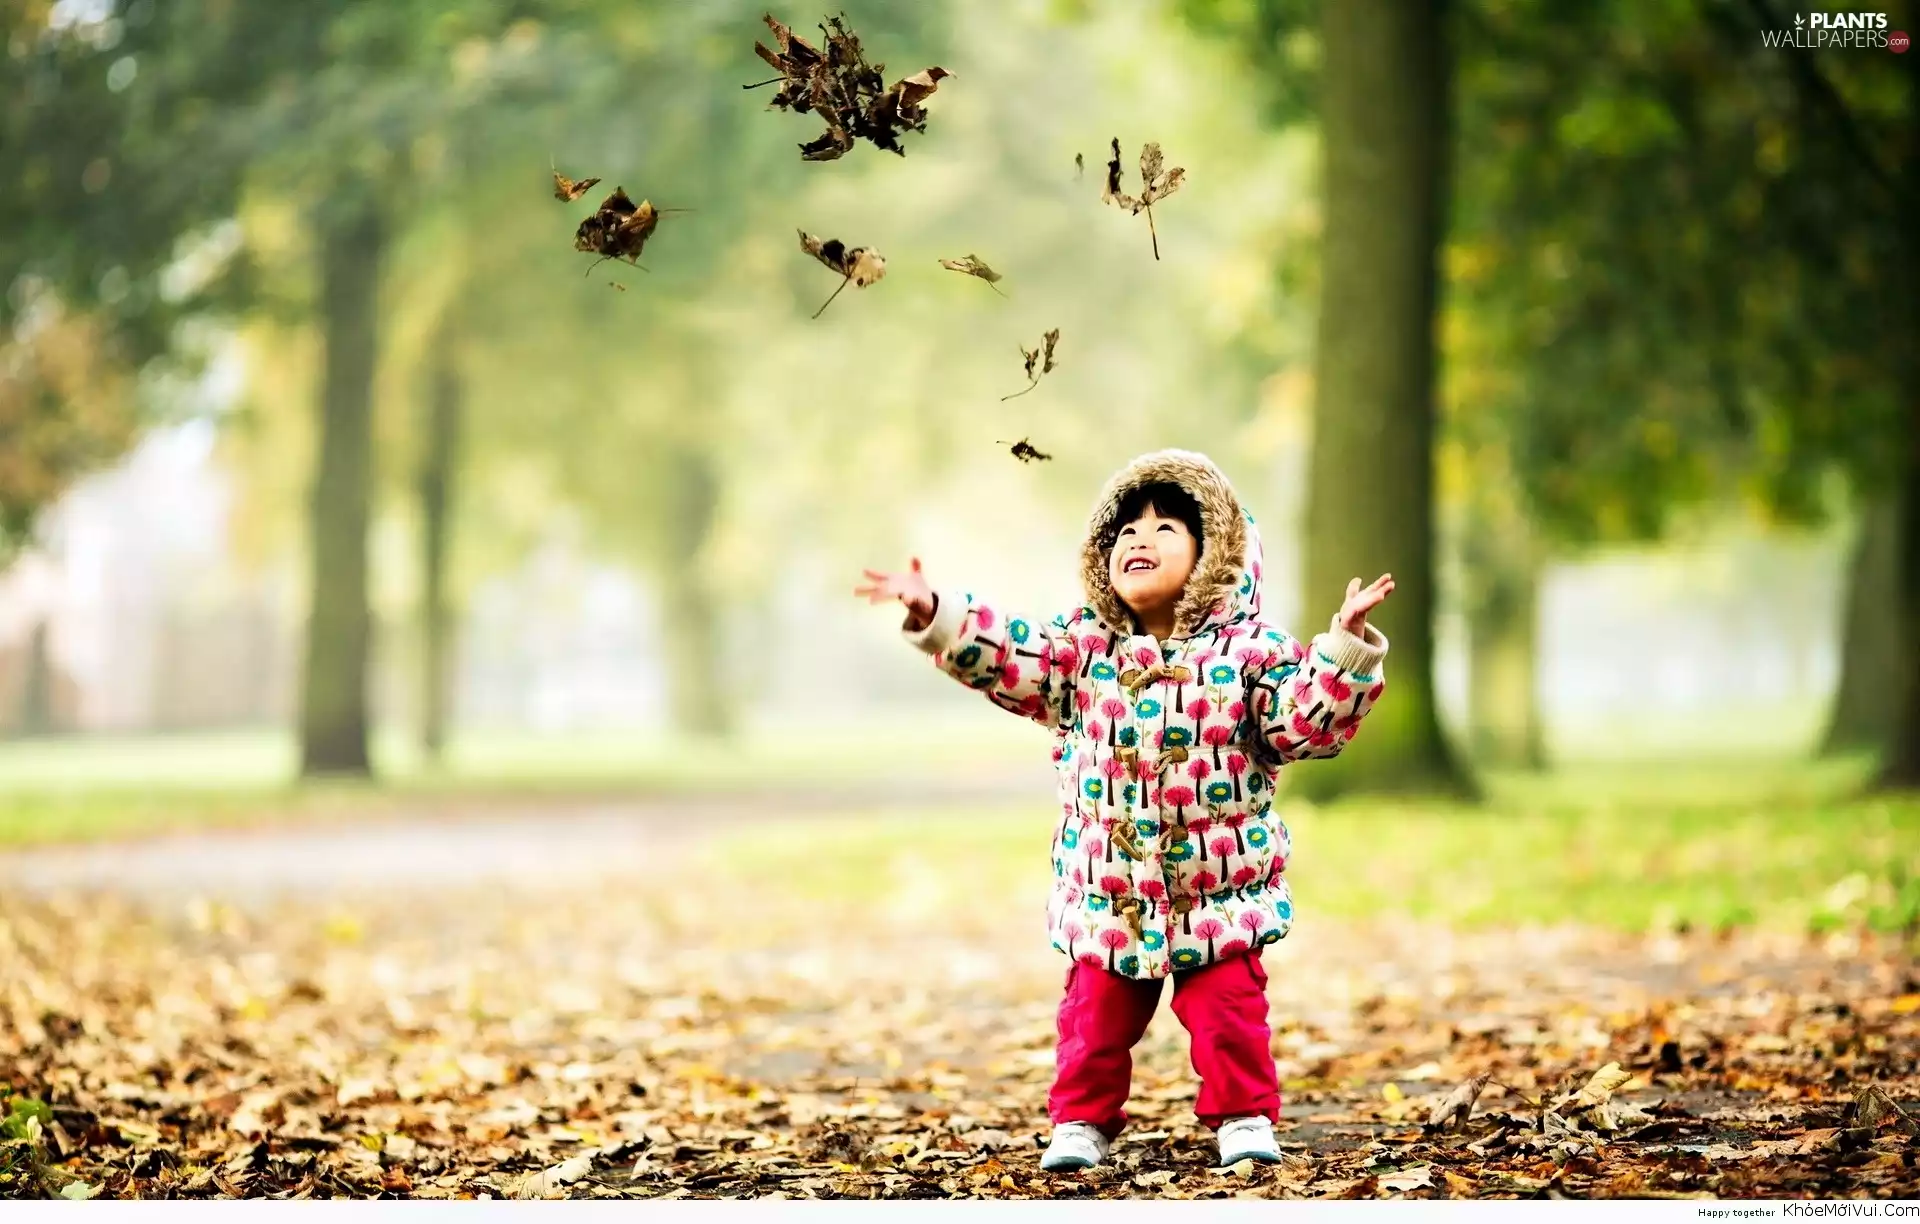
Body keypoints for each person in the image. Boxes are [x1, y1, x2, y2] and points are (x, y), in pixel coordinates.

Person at [855, 449, 1392, 1171]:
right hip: (1109, 894)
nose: (1140, 538)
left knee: (1230, 1016)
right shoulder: (1083, 650)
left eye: (1168, 526)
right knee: (1093, 1022)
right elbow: (1014, 656)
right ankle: (1080, 1122)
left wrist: (1345, 652)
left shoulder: (1251, 655)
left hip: (1219, 894)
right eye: (1126, 529)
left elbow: (1304, 724)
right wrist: (940, 616)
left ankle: (1242, 1117)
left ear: (1217, 558)